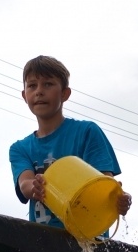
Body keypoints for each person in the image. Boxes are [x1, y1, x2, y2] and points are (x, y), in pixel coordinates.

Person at [9, 55, 131, 228]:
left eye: (48, 84)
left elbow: (106, 182)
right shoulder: (20, 148)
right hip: (43, 239)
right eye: (32, 85)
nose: (39, 91)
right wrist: (35, 187)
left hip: (87, 235)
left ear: (65, 93)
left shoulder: (88, 132)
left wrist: (119, 199)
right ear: (24, 95)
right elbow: (25, 184)